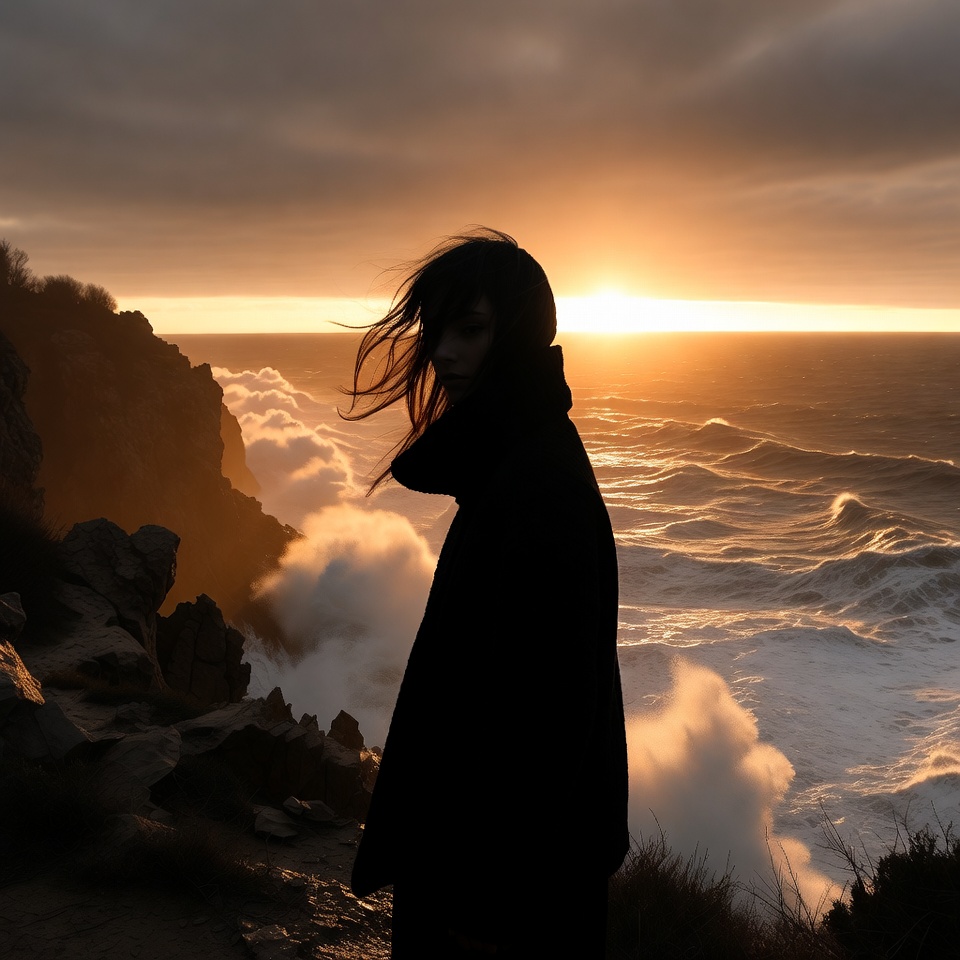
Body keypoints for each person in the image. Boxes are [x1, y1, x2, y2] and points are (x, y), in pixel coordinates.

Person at [343, 229, 628, 957]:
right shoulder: (513, 466)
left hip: (505, 889)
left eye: (469, 330)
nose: (442, 352)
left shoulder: (541, 488)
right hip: (490, 864)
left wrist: (481, 908)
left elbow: (550, 717)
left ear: (519, 334)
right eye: (437, 331)